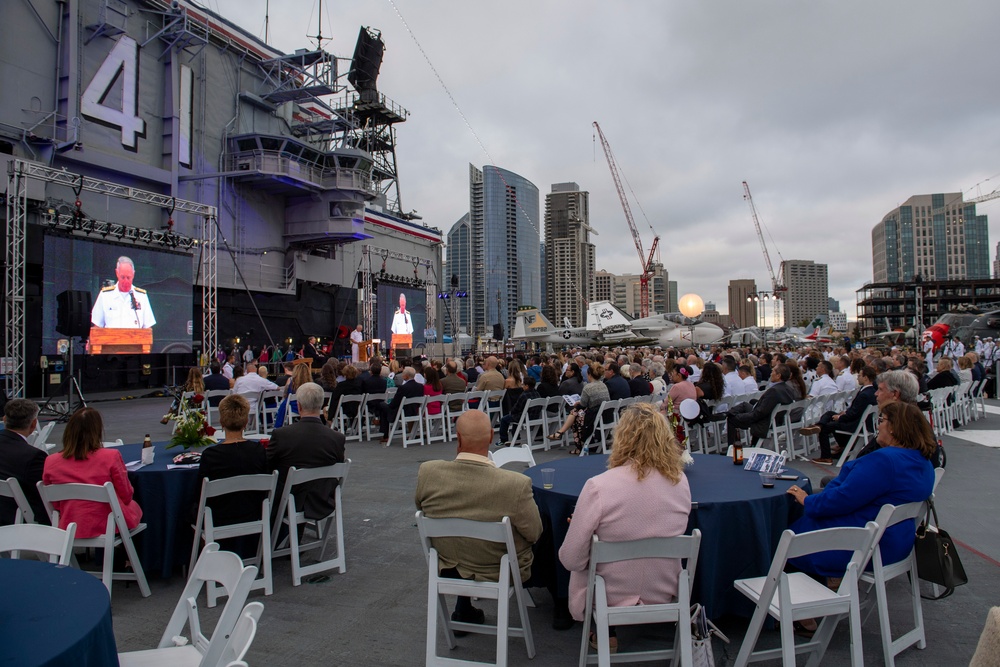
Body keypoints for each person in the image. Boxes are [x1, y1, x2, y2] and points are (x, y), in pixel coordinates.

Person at [559, 403, 691, 645]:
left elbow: (571, 559)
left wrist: (583, 532)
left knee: (580, 556)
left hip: (607, 592)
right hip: (663, 587)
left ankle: (603, 630)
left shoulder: (599, 486)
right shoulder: (680, 482)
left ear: (622, 437)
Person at [414, 410, 542, 629]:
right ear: (491, 436)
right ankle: (560, 603)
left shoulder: (428, 473)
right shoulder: (515, 484)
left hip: (448, 566)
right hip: (498, 569)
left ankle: (463, 608)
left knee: (463, 538)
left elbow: (422, 509)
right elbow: (535, 533)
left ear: (458, 438)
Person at [786, 401, 935, 585]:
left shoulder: (886, 461)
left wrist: (807, 500)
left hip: (866, 544)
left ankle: (800, 604)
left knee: (785, 538)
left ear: (895, 428)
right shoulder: (923, 461)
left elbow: (841, 499)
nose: (878, 425)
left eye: (882, 420)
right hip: (897, 541)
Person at [42, 408, 142, 538]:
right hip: (109, 523)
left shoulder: (51, 460)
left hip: (70, 522)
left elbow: (55, 501)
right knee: (135, 506)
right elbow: (126, 495)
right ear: (97, 431)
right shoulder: (110, 456)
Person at [195, 394, 268, 557]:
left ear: (221, 422)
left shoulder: (210, 455)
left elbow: (199, 493)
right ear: (246, 422)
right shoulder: (258, 451)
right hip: (253, 512)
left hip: (219, 515)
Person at [266, 383, 346, 521]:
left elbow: (268, 465)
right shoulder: (337, 438)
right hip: (322, 499)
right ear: (321, 405)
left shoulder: (282, 435)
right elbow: (337, 464)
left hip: (288, 499)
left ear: (299, 406)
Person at [802, 366, 879, 465]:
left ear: (866, 378)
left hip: (855, 424)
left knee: (826, 428)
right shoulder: (873, 391)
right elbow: (857, 410)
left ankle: (826, 456)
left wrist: (840, 417)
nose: (857, 377)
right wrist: (844, 412)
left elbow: (854, 414)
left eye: (859, 375)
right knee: (829, 414)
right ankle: (818, 425)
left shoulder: (864, 394)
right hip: (861, 421)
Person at [0, 398, 48, 525]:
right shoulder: (33, 456)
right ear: (33, 424)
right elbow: (42, 496)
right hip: (14, 520)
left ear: (4, 420)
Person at [726, 364, 796, 447]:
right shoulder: (788, 389)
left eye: (773, 371)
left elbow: (759, 413)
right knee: (745, 405)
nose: (770, 373)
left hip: (764, 421)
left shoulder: (774, 391)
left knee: (731, 419)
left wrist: (741, 416)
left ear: (778, 376)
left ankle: (733, 449)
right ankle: (726, 413)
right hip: (775, 419)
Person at [549, 364, 610, 455]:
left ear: (589, 375)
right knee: (575, 413)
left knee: (575, 413)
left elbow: (583, 404)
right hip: (604, 414)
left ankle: (572, 441)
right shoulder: (603, 385)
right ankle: (560, 433)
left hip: (593, 416)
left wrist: (577, 404)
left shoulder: (588, 387)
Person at [90, 256, 156, 329]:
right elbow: (97, 326)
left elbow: (148, 328)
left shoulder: (141, 296)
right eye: (123, 277)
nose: (125, 281)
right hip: (111, 340)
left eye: (128, 277)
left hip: (134, 340)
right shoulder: (105, 295)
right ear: (117, 273)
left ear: (133, 274)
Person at [497, 376, 541, 445]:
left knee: (504, 419)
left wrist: (511, 411)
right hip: (535, 416)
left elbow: (517, 408)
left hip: (524, 417)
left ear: (526, 386)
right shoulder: (537, 394)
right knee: (516, 417)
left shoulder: (524, 395)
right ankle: (516, 438)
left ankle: (503, 439)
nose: (522, 386)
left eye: (523, 384)